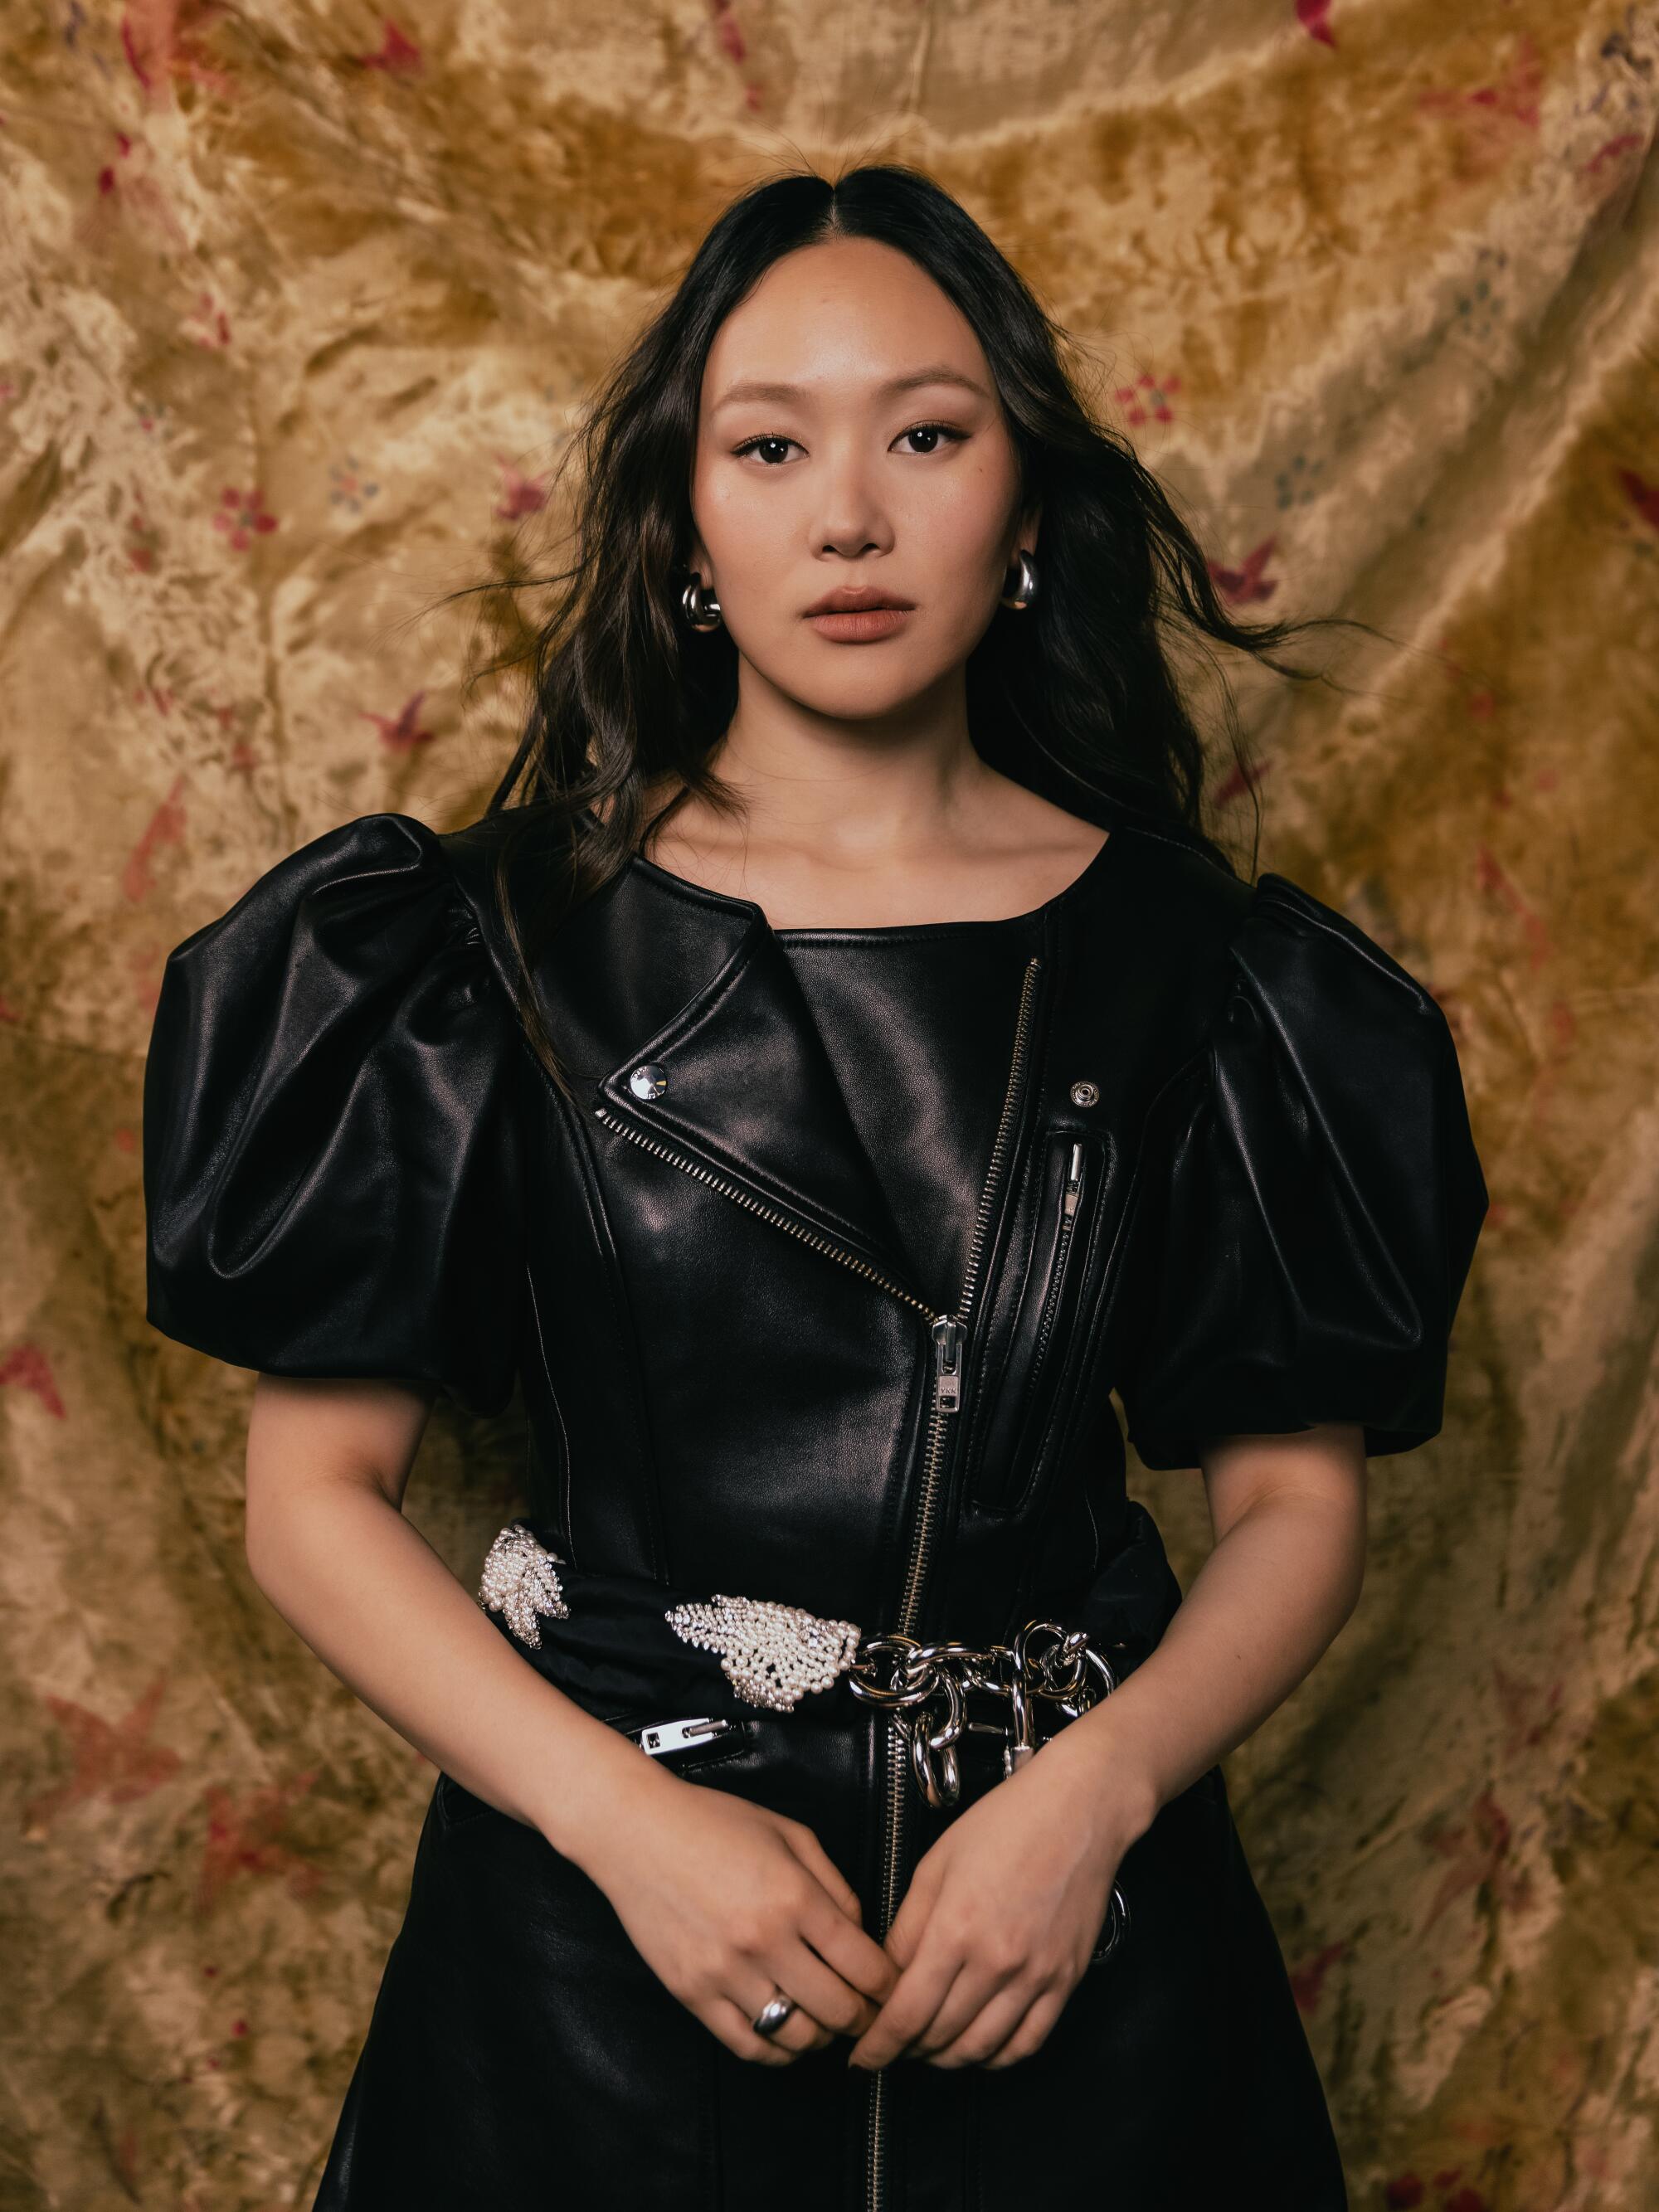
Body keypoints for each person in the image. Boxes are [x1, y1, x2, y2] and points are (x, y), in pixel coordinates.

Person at [140, 164, 1489, 2211]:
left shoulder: (1205, 967)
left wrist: (1096, 1794)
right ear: (689, 523)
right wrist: (627, 1830)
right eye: (767, 445)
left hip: (1075, 1955)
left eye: (926, 435)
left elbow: (1295, 1503)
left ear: (1025, 509)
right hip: (595, 1959)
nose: (848, 514)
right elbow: (307, 1508)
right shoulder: (477, 942)